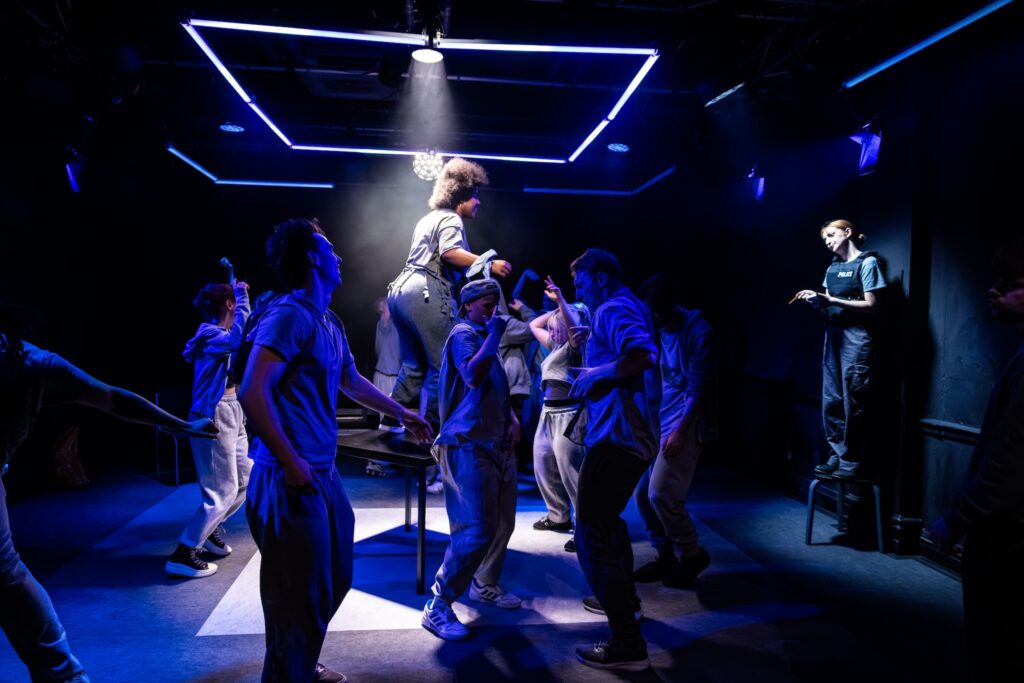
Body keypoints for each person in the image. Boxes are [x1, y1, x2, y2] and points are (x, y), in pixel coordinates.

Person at [238, 218, 431, 683]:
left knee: (334, 579)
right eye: (328, 248)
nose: (338, 256)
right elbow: (252, 391)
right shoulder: (289, 315)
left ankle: (300, 661)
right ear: (310, 256)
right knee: (296, 595)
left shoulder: (328, 319)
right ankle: (291, 671)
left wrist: (401, 412)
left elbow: (351, 380)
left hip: (322, 473)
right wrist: (290, 461)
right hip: (287, 475)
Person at [0, 303, 215, 683]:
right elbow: (113, 398)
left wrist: (180, 425)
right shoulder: (32, 362)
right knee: (8, 576)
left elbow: (114, 398)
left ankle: (63, 675)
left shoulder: (34, 364)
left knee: (8, 575)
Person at [930, 238, 1024, 683]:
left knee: (996, 648)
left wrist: (957, 519)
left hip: (1009, 540)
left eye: (1010, 283)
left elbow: (1008, 463)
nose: (994, 290)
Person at [568, 249, 661, 671]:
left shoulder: (613, 308)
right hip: (624, 436)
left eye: (582, 283)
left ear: (602, 277)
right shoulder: (621, 307)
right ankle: (628, 603)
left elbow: (642, 355)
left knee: (591, 532)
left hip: (618, 438)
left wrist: (594, 373)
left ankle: (627, 641)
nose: (579, 292)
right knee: (607, 524)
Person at [421, 279, 522, 641]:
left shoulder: (483, 335)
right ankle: (439, 604)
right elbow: (472, 375)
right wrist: (494, 335)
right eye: (486, 305)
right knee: (476, 530)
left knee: (502, 524)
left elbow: (494, 387)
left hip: (495, 444)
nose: (493, 312)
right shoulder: (465, 333)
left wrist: (511, 418)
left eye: (496, 304)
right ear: (467, 306)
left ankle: (484, 583)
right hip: (468, 444)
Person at [386, 158, 512, 429]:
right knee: (441, 363)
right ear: (461, 195)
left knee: (413, 366)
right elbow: (450, 253)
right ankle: (434, 433)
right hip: (425, 291)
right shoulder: (451, 218)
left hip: (400, 292)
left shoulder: (428, 218)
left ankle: (389, 426)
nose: (478, 201)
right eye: (474, 195)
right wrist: (489, 263)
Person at [634, 273, 717, 587]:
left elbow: (697, 389)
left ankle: (692, 554)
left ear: (666, 307)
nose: (651, 317)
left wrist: (680, 431)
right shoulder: (659, 329)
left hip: (683, 423)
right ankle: (665, 555)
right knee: (643, 496)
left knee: (661, 494)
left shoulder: (698, 331)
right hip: (659, 421)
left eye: (654, 311)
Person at [166, 278, 251, 578]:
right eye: (236, 302)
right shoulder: (210, 334)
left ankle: (210, 529)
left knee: (246, 478)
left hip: (232, 408)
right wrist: (242, 295)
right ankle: (184, 552)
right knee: (221, 491)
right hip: (213, 415)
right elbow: (237, 340)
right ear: (229, 304)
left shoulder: (220, 334)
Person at [794, 219, 885, 480]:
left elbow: (873, 306)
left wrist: (831, 299)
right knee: (832, 397)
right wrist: (817, 301)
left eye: (832, 235)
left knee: (854, 399)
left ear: (848, 232)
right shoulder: (832, 268)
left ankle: (852, 459)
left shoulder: (868, 263)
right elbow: (827, 305)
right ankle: (838, 452)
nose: (828, 241)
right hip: (833, 334)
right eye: (825, 239)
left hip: (856, 337)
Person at [527, 276, 589, 552]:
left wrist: (562, 302)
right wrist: (554, 312)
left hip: (567, 413)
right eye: (551, 330)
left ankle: (585, 529)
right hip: (547, 413)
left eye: (557, 329)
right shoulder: (554, 346)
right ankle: (558, 516)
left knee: (570, 473)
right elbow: (533, 325)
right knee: (542, 463)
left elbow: (573, 328)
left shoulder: (576, 347)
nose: (552, 333)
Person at [367, 296, 401, 477]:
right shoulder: (384, 323)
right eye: (385, 303)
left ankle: (381, 460)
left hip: (392, 376)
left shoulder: (394, 323)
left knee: (393, 422)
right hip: (385, 377)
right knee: (387, 422)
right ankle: (378, 461)